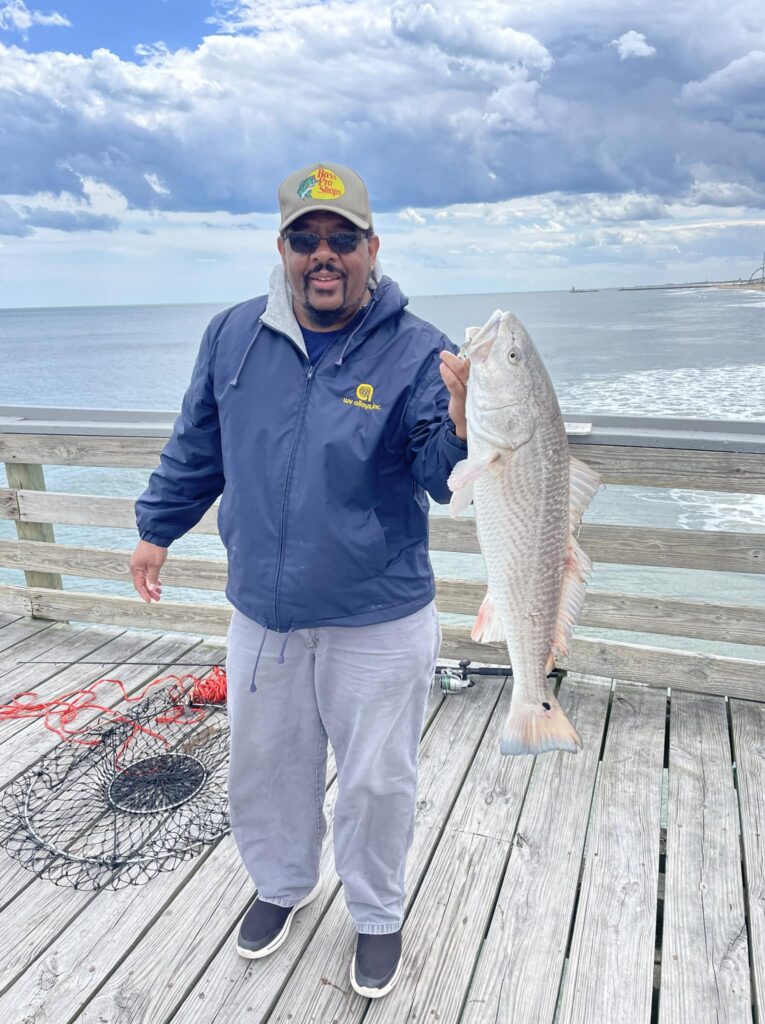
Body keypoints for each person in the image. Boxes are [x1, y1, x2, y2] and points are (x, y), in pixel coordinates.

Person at [130, 161, 469, 999]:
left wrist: (464, 421)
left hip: (377, 615)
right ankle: (282, 885)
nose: (325, 255)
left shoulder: (421, 349)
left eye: (341, 239)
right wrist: (156, 528)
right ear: (282, 248)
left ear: (371, 248)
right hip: (265, 613)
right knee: (266, 766)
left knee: (377, 779)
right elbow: (197, 446)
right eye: (305, 239)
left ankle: (377, 912)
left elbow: (439, 473)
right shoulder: (231, 335)